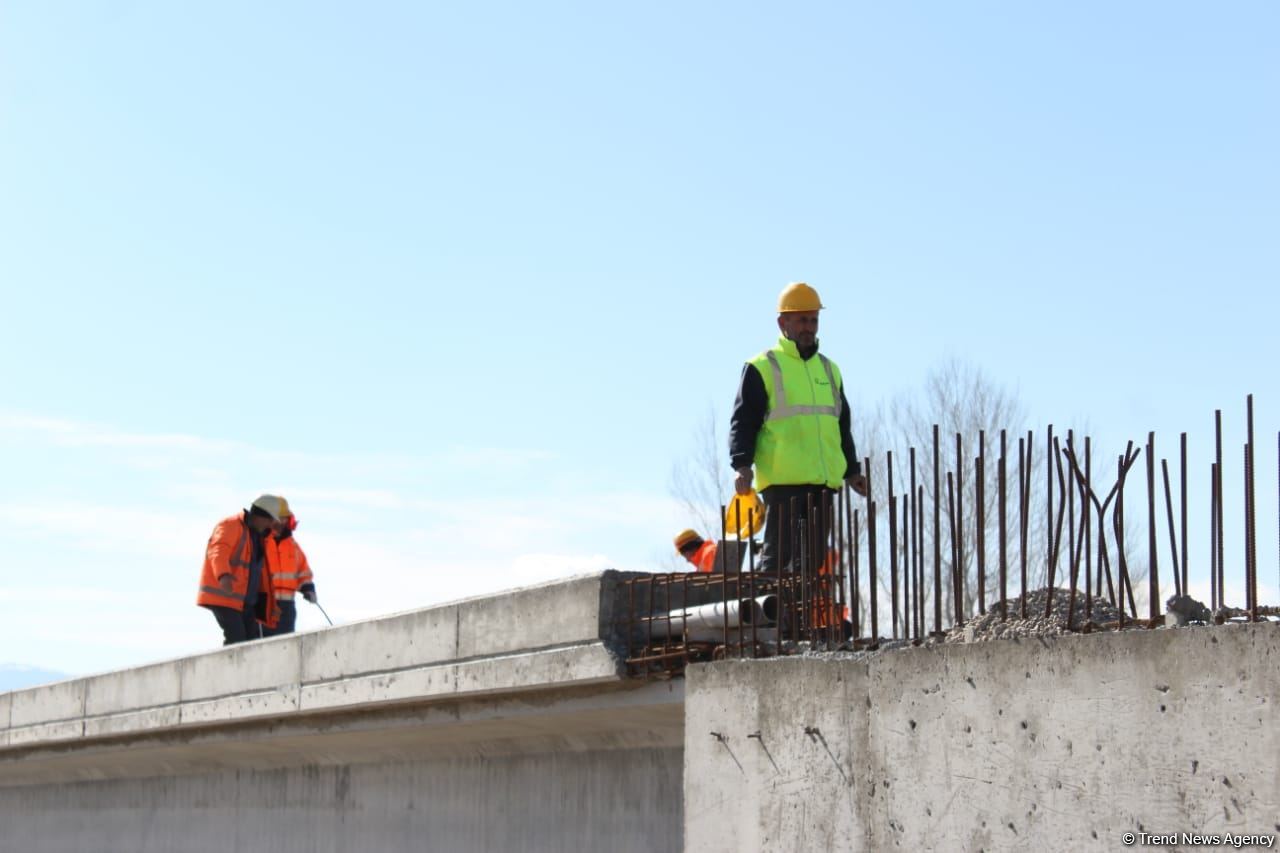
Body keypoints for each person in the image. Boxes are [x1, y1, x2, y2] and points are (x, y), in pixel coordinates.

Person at [728, 282, 868, 576]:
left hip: (822, 483)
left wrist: (852, 470)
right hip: (783, 482)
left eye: (814, 320)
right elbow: (743, 421)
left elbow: (841, 425)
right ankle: (768, 605)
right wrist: (742, 465)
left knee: (811, 564)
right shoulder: (762, 366)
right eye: (802, 320)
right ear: (783, 323)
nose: (809, 327)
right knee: (778, 560)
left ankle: (796, 608)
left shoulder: (829, 369)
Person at [196, 495, 284, 645]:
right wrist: (224, 575)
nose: (270, 525)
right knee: (236, 639)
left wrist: (270, 605)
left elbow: (260, 575)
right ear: (260, 516)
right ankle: (228, 661)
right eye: (270, 520)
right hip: (226, 597)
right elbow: (218, 551)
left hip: (245, 602)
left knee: (251, 644)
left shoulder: (260, 538)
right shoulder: (230, 525)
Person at [262, 509, 317, 637]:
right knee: (261, 642)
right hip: (264, 603)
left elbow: (303, 572)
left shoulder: (293, 546)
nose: (282, 522)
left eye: (285, 518)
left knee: (286, 642)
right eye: (279, 518)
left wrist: (308, 589)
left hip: (287, 606)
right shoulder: (260, 542)